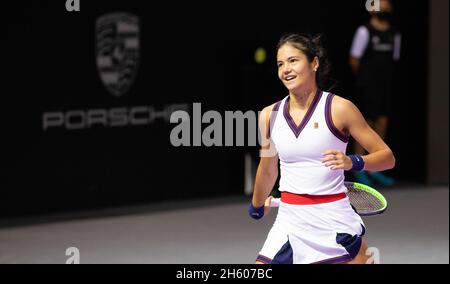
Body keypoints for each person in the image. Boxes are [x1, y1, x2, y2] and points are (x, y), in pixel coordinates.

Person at [248, 33, 395, 264]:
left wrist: (354, 162)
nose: (285, 69)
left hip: (333, 221)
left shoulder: (340, 109)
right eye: (280, 64)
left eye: (293, 60)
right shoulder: (268, 115)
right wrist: (256, 205)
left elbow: (387, 157)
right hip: (290, 221)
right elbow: (267, 169)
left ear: (314, 63)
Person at [349, 0, 401, 187]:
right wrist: (365, 80)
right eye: (381, 6)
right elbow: (354, 59)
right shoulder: (365, 31)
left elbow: (394, 59)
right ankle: (359, 167)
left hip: (385, 86)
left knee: (382, 121)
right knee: (365, 125)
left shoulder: (394, 34)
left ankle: (375, 166)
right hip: (366, 86)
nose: (384, 9)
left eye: (387, 6)